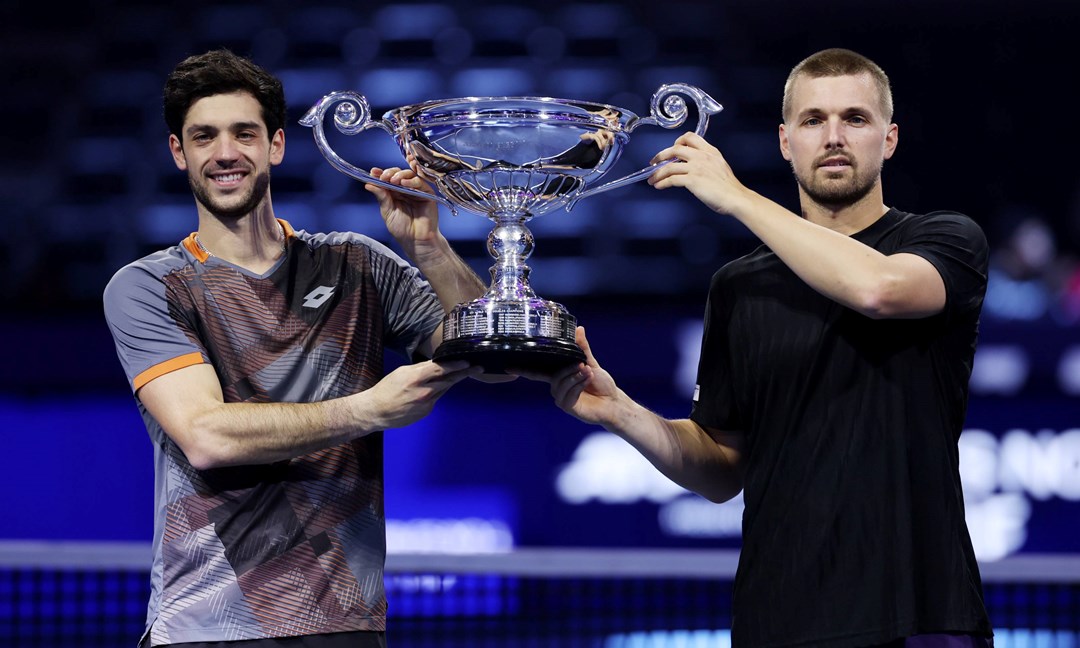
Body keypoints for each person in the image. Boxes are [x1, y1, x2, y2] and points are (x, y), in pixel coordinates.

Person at [518, 48, 994, 647]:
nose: (834, 137)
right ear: (784, 141)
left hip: (920, 615)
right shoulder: (740, 286)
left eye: (856, 118)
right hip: (778, 620)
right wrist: (620, 411)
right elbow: (721, 469)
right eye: (813, 120)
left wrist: (737, 196)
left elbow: (877, 289)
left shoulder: (945, 239)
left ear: (889, 139)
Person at [103, 48, 489, 647]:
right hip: (208, 627)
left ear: (275, 145)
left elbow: (487, 359)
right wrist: (369, 410)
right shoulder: (149, 286)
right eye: (203, 136)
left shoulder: (357, 264)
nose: (225, 153)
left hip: (346, 625)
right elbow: (207, 436)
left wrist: (431, 248)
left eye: (244, 133)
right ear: (179, 152)